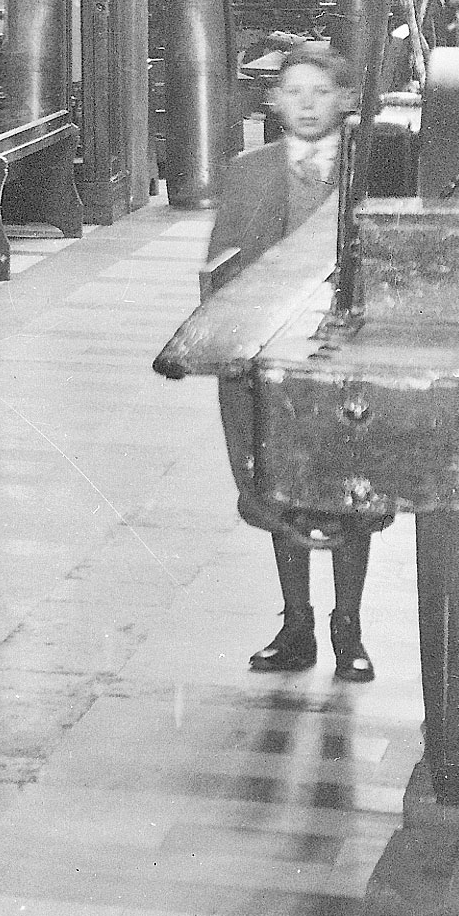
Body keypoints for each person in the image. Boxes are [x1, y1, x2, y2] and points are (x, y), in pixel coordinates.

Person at [159, 44, 371, 678]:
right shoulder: (248, 172)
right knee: (281, 488)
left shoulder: (370, 173)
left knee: (348, 493)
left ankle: (349, 631)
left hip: (341, 360)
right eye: (295, 92)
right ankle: (297, 625)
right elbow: (221, 268)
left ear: (345, 101)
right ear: (274, 102)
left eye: (321, 92)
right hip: (266, 361)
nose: (307, 104)